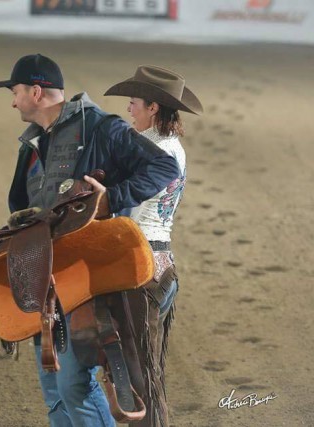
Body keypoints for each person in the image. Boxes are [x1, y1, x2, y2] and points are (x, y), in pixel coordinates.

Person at [0, 54, 181, 427]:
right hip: (44, 279)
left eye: (14, 92)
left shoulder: (99, 127)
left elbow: (164, 167)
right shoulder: (30, 146)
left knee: (73, 385)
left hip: (84, 280)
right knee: (54, 390)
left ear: (35, 91)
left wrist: (111, 198)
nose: (12, 101)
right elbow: (20, 207)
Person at [104, 64, 203, 427]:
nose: (129, 110)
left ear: (153, 108)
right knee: (149, 371)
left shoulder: (148, 149)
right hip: (163, 262)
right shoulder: (174, 148)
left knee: (139, 375)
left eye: (134, 103)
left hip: (139, 267)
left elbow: (125, 204)